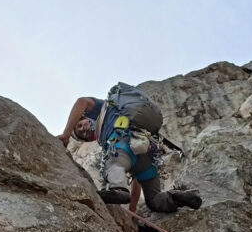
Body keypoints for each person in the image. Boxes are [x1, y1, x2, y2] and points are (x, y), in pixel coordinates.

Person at [58, 90, 201, 213]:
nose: (83, 129)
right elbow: (137, 178)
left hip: (123, 141)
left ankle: (119, 189)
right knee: (154, 201)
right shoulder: (110, 125)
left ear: (84, 117)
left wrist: (66, 134)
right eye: (82, 134)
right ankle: (177, 197)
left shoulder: (103, 109)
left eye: (80, 125)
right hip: (146, 152)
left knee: (113, 164)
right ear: (90, 140)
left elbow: (81, 101)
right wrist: (132, 211)